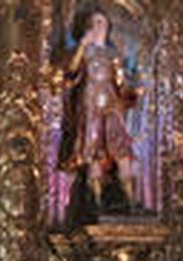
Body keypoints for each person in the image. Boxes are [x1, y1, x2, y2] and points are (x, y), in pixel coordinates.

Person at [57, 8, 137, 210]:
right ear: (89, 27)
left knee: (121, 148)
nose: (100, 27)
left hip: (110, 103)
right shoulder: (84, 51)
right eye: (96, 23)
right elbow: (71, 71)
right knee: (93, 148)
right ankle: (96, 199)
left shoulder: (113, 53)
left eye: (103, 23)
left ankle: (130, 199)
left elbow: (121, 80)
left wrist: (130, 90)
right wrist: (83, 46)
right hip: (90, 101)